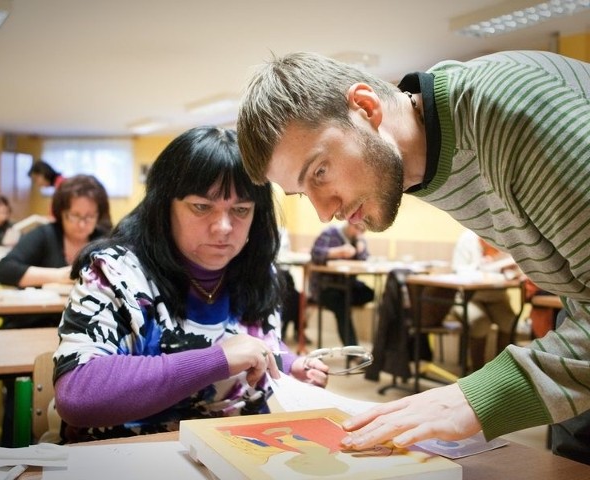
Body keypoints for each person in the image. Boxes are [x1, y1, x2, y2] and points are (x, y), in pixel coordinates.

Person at [236, 50, 590, 464]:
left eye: (319, 172)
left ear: (366, 108)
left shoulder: (511, 112)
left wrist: (474, 399)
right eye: (302, 192)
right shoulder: (427, 155)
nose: (322, 211)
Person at [52, 126, 329, 442]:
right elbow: (78, 394)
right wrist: (217, 359)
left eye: (240, 210)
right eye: (201, 206)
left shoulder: (257, 271)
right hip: (130, 456)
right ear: (165, 206)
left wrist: (289, 363)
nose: (223, 227)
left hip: (238, 452)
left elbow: (258, 340)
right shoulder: (115, 271)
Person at [0, 174, 111, 324]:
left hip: (86, 324)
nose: (82, 224)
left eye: (89, 217)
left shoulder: (104, 240)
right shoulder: (45, 234)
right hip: (37, 321)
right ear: (61, 213)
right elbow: (5, 270)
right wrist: (60, 276)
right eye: (74, 216)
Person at [446, 229, 519, 371]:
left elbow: (513, 270)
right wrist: (485, 270)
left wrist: (510, 272)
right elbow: (458, 271)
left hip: (497, 295)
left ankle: (502, 371)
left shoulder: (506, 238)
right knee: (479, 323)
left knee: (510, 323)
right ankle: (477, 372)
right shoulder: (467, 239)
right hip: (469, 297)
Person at [309, 221, 374, 346]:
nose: (359, 232)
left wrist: (361, 244)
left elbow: (364, 258)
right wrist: (337, 252)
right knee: (342, 306)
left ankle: (344, 303)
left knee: (369, 293)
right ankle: (353, 352)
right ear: (350, 223)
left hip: (346, 286)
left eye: (363, 231)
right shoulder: (330, 233)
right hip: (325, 287)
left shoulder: (358, 238)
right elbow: (315, 254)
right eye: (357, 228)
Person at [277, 228, 302, 343]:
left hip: (284, 274)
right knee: (290, 298)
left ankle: (293, 330)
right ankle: (287, 330)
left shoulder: (281, 231)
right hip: (273, 274)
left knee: (296, 297)